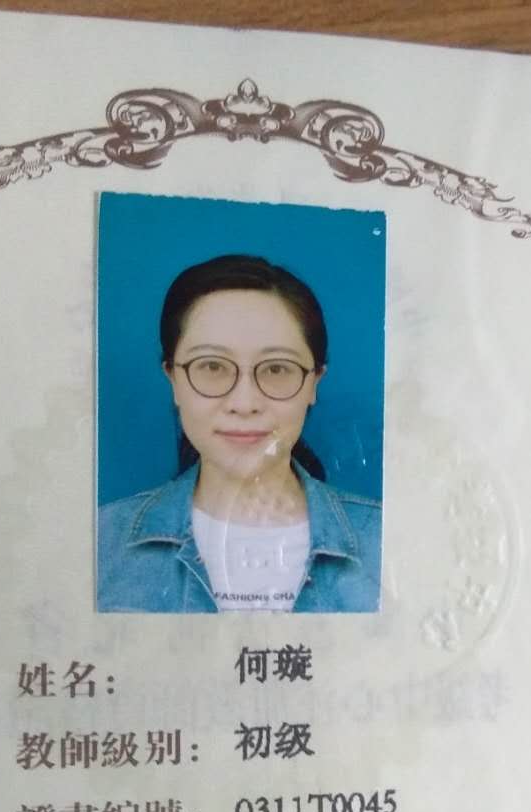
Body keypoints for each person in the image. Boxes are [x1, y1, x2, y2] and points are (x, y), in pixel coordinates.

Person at [97, 254, 380, 613]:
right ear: (173, 379)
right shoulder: (101, 542)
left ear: (314, 383)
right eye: (212, 366)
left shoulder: (386, 540)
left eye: (276, 369)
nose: (244, 404)